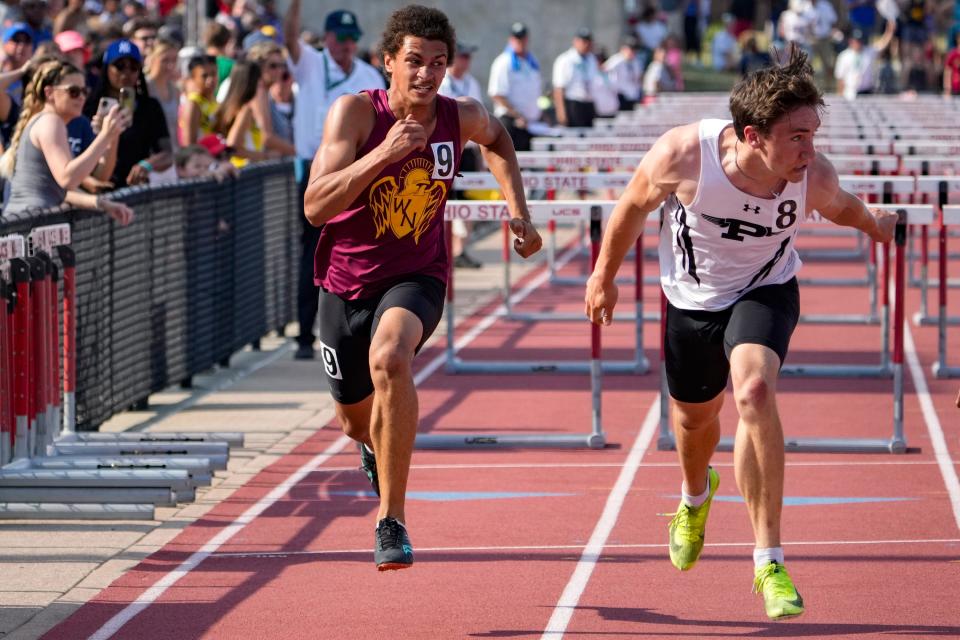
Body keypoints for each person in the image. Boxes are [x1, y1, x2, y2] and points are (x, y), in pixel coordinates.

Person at [584, 49, 897, 620]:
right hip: (692, 301)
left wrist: (878, 225)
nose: (809, 149)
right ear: (753, 136)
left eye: (813, 133)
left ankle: (768, 560)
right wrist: (603, 277)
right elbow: (630, 206)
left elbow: (844, 206)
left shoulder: (811, 176)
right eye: (797, 136)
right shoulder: (685, 154)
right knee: (693, 421)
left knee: (753, 390)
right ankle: (693, 496)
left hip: (766, 289)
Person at [304, 5, 542, 570]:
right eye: (414, 61)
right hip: (344, 284)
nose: (426, 74)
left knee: (391, 358)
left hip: (416, 276)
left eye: (438, 63)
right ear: (388, 62)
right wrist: (384, 155)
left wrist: (519, 213)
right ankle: (370, 446)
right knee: (355, 421)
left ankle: (392, 520)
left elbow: (500, 141)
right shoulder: (356, 115)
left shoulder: (462, 116)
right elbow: (315, 206)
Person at [283, 1, 385, 361]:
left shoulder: (368, 76)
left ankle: (362, 324)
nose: (346, 45)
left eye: (352, 39)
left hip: (356, 173)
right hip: (316, 170)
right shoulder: (311, 63)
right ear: (326, 38)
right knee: (312, 252)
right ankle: (304, 335)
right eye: (340, 38)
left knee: (357, 248)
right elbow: (290, 36)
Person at [0, 58, 132, 224]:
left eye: (85, 91)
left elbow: (59, 190)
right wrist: (104, 136)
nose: (82, 98)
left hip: (30, 223)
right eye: (74, 91)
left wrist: (101, 203)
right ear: (49, 93)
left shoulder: (50, 122)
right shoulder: (50, 121)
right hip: (30, 226)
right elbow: (67, 178)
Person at [82, 39, 173, 187]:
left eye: (134, 67)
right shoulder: (89, 106)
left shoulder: (149, 107)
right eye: (119, 66)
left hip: (135, 190)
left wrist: (146, 165)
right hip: (97, 189)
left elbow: (167, 153)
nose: (126, 73)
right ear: (107, 69)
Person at [438, 41, 483, 269]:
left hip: (469, 150)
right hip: (448, 149)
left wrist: (482, 157)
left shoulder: (471, 83)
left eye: (468, 57)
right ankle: (446, 250)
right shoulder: (442, 82)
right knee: (445, 201)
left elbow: (481, 119)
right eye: (463, 56)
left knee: (469, 200)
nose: (466, 61)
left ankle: (461, 249)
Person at [487, 21, 541, 152]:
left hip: (529, 124)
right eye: (517, 38)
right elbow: (496, 94)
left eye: (523, 38)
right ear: (511, 40)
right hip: (510, 122)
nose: (520, 42)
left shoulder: (531, 62)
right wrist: (517, 115)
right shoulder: (503, 62)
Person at [833, 18, 895, 100]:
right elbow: (840, 78)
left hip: (868, 92)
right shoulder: (844, 56)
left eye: (860, 41)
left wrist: (889, 31)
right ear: (851, 41)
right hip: (850, 94)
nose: (858, 43)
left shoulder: (868, 51)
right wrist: (840, 97)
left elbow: (883, 45)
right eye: (856, 41)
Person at [552, 27, 600, 128]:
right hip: (573, 104)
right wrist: (561, 112)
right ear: (575, 41)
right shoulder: (565, 60)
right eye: (584, 41)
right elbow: (559, 88)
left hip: (588, 104)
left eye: (589, 42)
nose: (586, 45)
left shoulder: (591, 59)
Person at [180, 54, 218, 145]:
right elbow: (188, 144)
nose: (210, 80)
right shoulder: (193, 103)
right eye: (204, 76)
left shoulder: (213, 101)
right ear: (193, 78)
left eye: (214, 74)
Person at [603, 35, 644, 112]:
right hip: (620, 95)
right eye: (630, 49)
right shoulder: (617, 60)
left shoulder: (636, 62)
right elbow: (603, 70)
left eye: (634, 49)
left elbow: (638, 77)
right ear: (623, 49)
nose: (632, 52)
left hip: (633, 95)